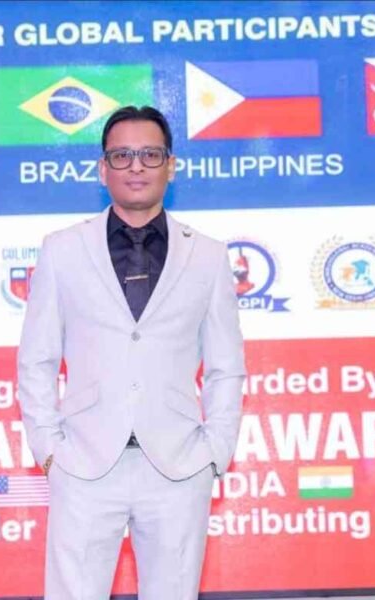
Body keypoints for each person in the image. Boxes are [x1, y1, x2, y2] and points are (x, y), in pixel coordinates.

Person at [17, 105, 246, 600]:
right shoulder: (62, 249)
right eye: (122, 156)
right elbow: (36, 358)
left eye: (150, 154)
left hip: (179, 464)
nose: (136, 166)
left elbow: (226, 367)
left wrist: (215, 451)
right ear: (103, 169)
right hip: (83, 461)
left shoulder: (207, 255)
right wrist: (48, 449)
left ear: (171, 165)